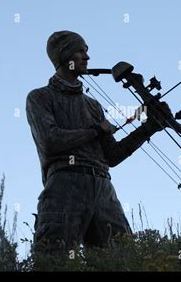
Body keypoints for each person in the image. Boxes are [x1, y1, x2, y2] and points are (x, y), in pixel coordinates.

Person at [26, 30, 171, 255]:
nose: (87, 57)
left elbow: (112, 155)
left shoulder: (93, 106)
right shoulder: (40, 97)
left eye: (87, 51)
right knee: (54, 259)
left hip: (103, 187)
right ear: (64, 57)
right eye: (80, 51)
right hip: (65, 184)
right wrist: (95, 130)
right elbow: (50, 141)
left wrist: (150, 126)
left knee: (124, 260)